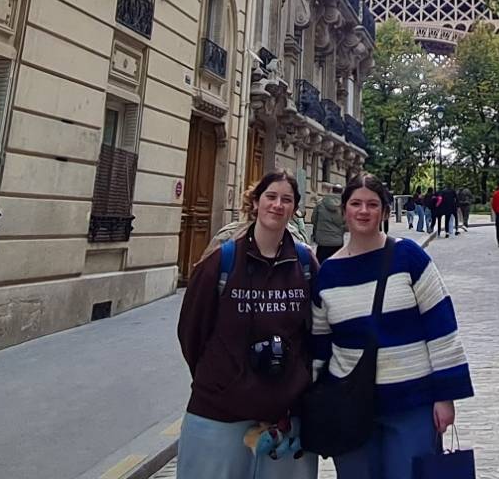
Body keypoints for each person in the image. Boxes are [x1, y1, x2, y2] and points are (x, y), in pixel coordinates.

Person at [312, 174, 472, 479]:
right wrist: (315, 400)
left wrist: (446, 395)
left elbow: (441, 326)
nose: (363, 211)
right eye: (356, 204)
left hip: (411, 402)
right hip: (350, 406)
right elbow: (320, 344)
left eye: (373, 204)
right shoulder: (328, 273)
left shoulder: (409, 257)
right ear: (344, 211)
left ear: (385, 212)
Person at [176, 173, 319, 478]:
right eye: (271, 197)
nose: (277, 205)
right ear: (255, 202)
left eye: (286, 200)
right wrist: (224, 378)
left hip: (285, 415)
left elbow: (316, 333)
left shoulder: (305, 264)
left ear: (294, 209)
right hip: (220, 413)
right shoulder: (221, 262)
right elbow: (191, 332)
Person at [311, 186, 347, 264]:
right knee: (336, 265)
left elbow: (313, 220)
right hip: (337, 242)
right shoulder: (344, 206)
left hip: (322, 242)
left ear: (331, 190)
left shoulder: (320, 204)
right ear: (342, 192)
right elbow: (347, 225)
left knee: (320, 265)